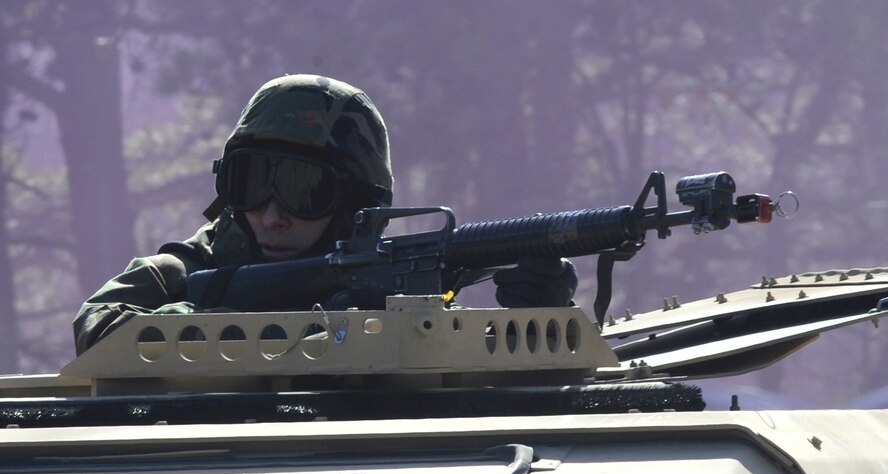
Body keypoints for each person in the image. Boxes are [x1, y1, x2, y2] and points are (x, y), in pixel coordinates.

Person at [73, 74, 577, 355]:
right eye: (252, 184)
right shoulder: (182, 275)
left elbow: (466, 368)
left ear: (355, 205)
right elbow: (98, 329)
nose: (271, 215)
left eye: (303, 191)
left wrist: (536, 322)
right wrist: (294, 323)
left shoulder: (386, 293)